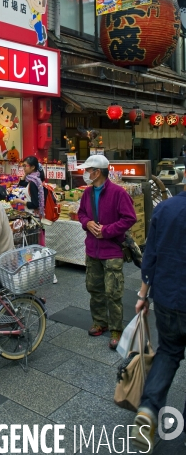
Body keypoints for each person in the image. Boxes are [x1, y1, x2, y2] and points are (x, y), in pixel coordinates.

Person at [131, 185, 186, 453]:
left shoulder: (164, 209)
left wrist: (143, 295)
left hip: (166, 297)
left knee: (168, 353)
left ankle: (148, 408)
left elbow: (149, 257)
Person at [77, 155, 137, 350]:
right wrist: (88, 223)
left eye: (88, 170)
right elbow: (81, 214)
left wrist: (106, 230)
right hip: (92, 249)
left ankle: (116, 329)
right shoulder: (87, 193)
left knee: (113, 292)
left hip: (112, 250)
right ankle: (99, 322)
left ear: (97, 172)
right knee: (94, 289)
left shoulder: (118, 193)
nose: (86, 174)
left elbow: (129, 218)